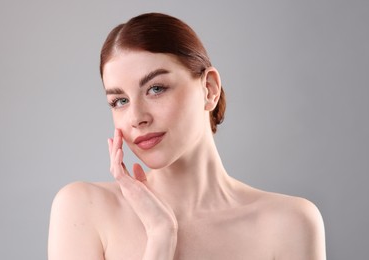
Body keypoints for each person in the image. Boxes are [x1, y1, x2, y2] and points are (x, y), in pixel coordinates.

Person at [48, 12, 326, 259]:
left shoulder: (289, 223)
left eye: (156, 88)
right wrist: (160, 236)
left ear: (209, 89)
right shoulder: (84, 209)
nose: (136, 118)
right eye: (119, 101)